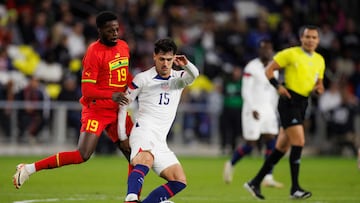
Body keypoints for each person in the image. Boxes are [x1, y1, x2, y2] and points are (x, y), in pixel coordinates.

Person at [13, 11, 133, 189]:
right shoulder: (93, 52)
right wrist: (111, 95)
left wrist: (137, 87)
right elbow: (87, 89)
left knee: (134, 153)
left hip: (117, 110)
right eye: (110, 30)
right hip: (97, 109)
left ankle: (133, 198)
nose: (115, 33)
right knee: (82, 155)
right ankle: (29, 169)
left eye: (117, 29)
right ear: (99, 30)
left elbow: (125, 76)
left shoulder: (123, 46)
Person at [244, 25, 325, 200]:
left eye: (314, 37)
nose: (310, 40)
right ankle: (295, 188)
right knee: (300, 141)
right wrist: (278, 86)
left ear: (318, 40)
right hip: (289, 101)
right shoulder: (290, 53)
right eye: (307, 37)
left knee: (281, 148)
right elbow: (269, 70)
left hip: (303, 102)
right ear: (301, 38)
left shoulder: (320, 60)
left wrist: (319, 88)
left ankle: (254, 182)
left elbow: (319, 83)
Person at [120, 38, 199, 203]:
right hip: (144, 132)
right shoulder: (142, 79)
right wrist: (122, 136)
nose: (165, 63)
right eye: (162, 59)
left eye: (169, 60)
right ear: (154, 56)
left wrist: (187, 64)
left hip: (160, 140)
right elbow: (122, 105)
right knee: (146, 159)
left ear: (174, 59)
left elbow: (194, 75)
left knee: (179, 180)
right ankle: (131, 198)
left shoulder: (178, 79)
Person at [223, 39, 283, 188]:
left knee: (271, 141)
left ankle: (268, 176)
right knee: (251, 144)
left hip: (269, 109)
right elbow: (246, 90)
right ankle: (230, 163)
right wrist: (252, 108)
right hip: (253, 109)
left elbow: (274, 91)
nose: (266, 52)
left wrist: (274, 110)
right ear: (259, 51)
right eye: (263, 49)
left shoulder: (274, 67)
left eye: (269, 49)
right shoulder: (251, 67)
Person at [219, 65, 243, 154]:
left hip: (238, 109)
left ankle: (233, 148)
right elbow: (222, 92)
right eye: (235, 72)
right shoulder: (227, 82)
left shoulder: (242, 83)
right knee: (225, 129)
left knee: (235, 130)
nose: (236, 74)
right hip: (227, 109)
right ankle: (223, 147)